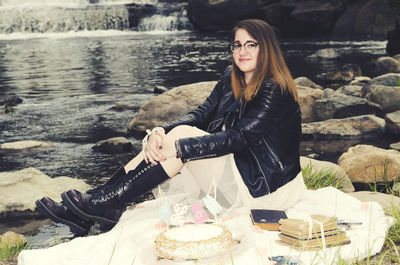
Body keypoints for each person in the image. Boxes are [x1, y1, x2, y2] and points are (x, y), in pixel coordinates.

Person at [35, 18, 304, 236]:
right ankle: (96, 203)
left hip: (265, 188)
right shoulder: (230, 76)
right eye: (237, 45)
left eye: (251, 45)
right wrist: (160, 131)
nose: (241, 52)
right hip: (238, 169)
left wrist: (179, 147)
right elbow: (201, 114)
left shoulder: (274, 88)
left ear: (266, 48)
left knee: (182, 139)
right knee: (171, 135)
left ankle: (105, 204)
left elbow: (238, 137)